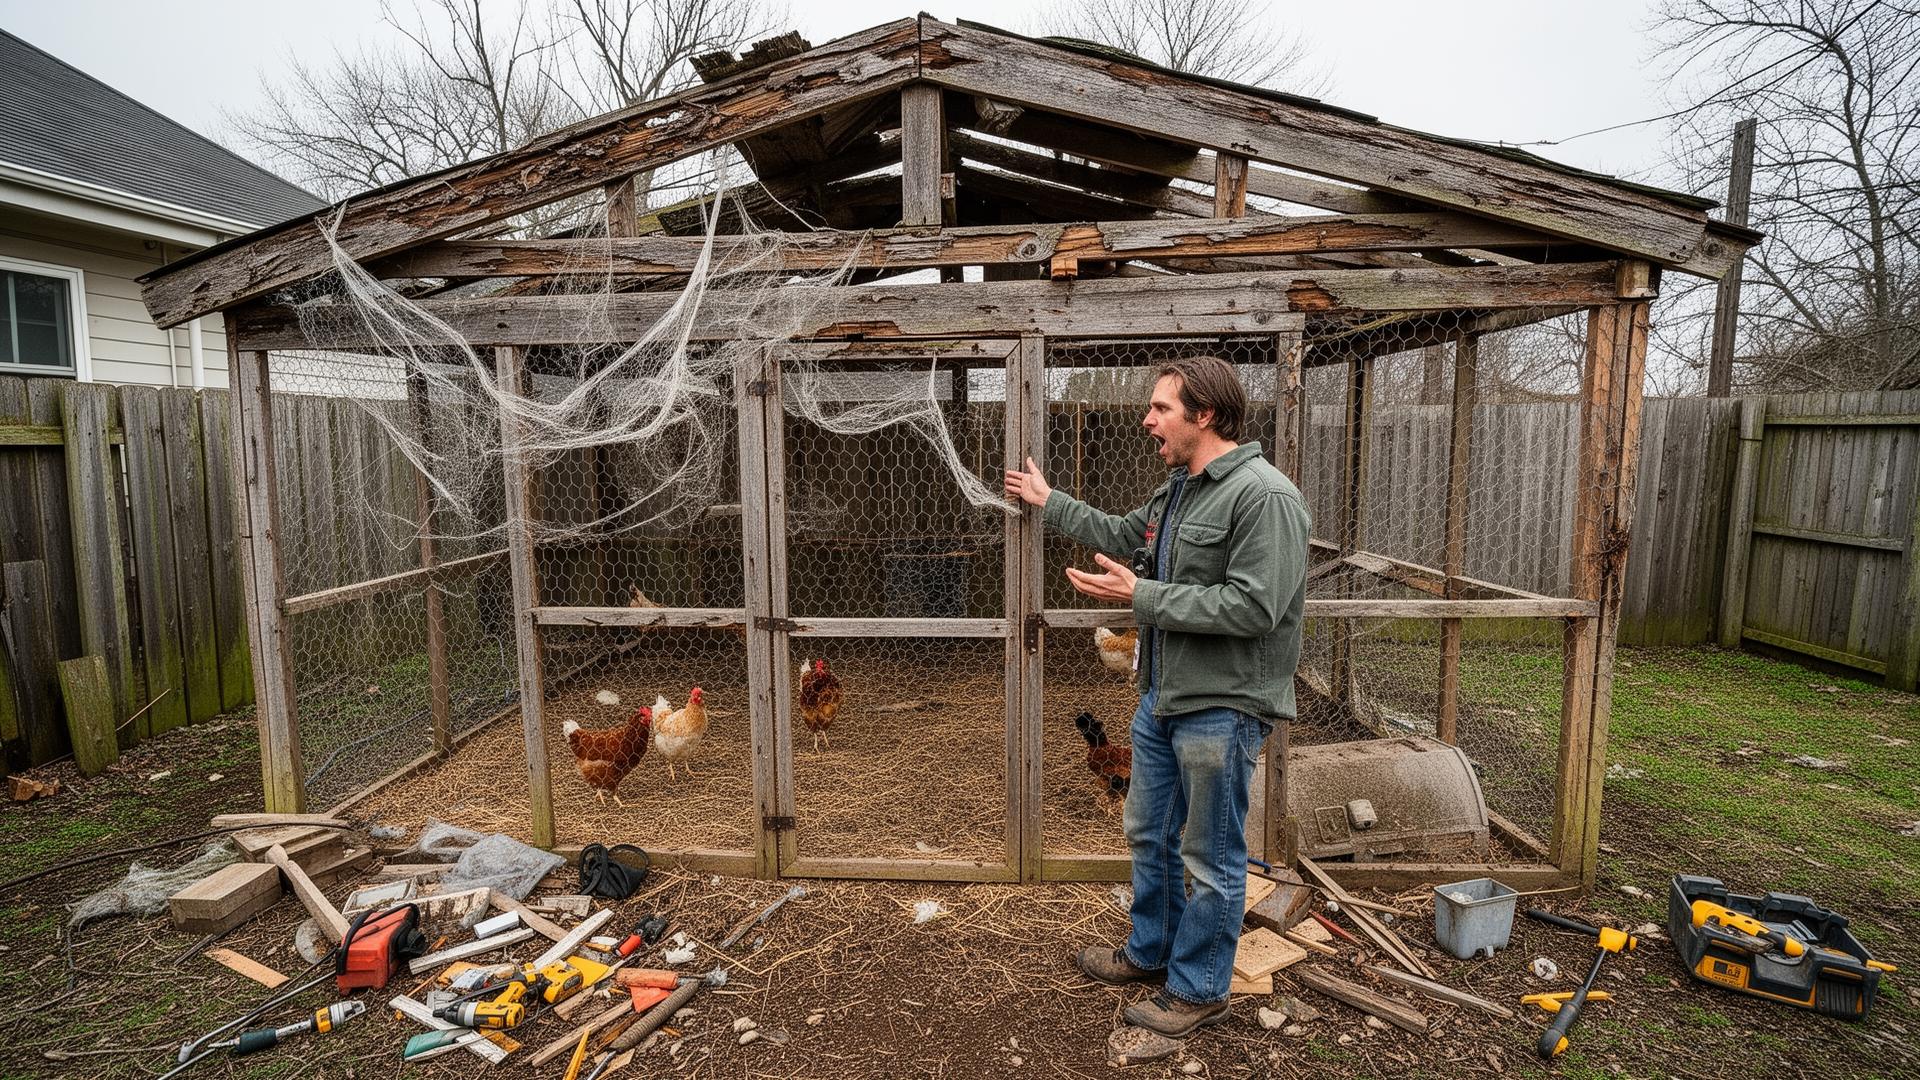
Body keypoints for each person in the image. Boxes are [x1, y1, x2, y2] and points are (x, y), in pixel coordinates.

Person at [1004, 354, 1310, 1037]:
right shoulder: (1180, 491)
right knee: (1148, 834)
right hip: (1162, 699)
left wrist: (1137, 595)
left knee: (1210, 855)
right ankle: (1152, 952)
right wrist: (1051, 502)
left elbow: (1255, 608)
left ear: (1205, 414)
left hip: (1222, 706)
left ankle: (1200, 988)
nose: (1148, 420)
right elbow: (1123, 535)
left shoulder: (1265, 497)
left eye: (1161, 409)